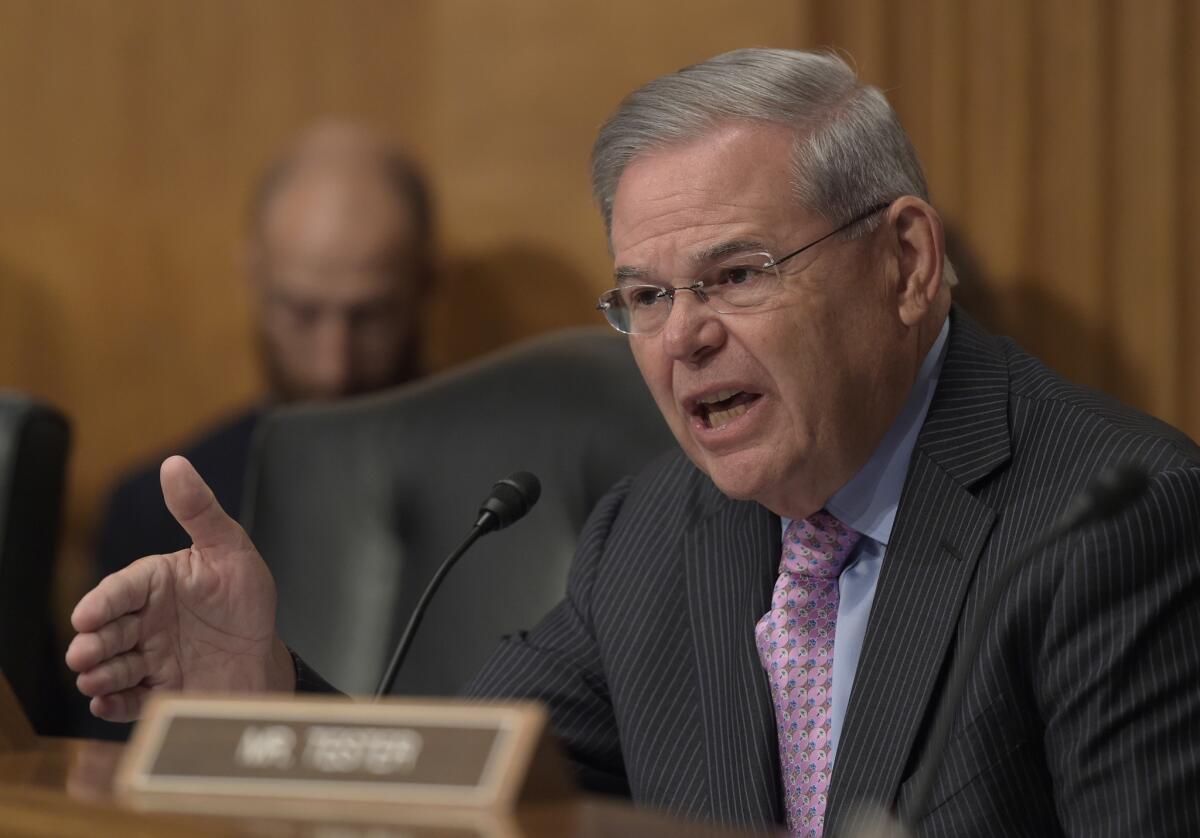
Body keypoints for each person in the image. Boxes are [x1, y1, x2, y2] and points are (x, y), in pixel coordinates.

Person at [67, 50, 1200, 836]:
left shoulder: (1117, 521)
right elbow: (460, 781)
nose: (684, 339)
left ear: (905, 263)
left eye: (738, 274)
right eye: (645, 296)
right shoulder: (657, 529)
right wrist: (261, 690)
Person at [94, 120, 434, 581]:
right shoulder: (156, 514)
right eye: (302, 313)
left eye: (369, 316)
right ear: (254, 281)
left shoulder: (515, 498)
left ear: (427, 285)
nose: (334, 367)